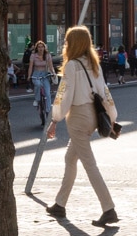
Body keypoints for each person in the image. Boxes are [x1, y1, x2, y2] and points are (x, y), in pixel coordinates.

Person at [45, 25, 116, 225]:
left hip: (77, 117)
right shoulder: (94, 64)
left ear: (73, 44)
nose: (65, 44)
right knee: (70, 158)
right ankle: (60, 204)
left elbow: (63, 96)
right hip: (93, 115)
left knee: (89, 164)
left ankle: (108, 207)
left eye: (67, 41)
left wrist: (54, 120)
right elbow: (104, 93)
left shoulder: (71, 66)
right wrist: (112, 117)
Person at [28, 40, 56, 126]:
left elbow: (51, 66)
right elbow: (30, 66)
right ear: (37, 48)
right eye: (39, 47)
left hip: (45, 75)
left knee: (47, 93)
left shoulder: (47, 55)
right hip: (36, 74)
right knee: (38, 84)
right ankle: (37, 100)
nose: (40, 48)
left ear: (44, 48)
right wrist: (29, 76)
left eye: (42, 47)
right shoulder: (33, 55)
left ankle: (47, 110)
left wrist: (53, 73)